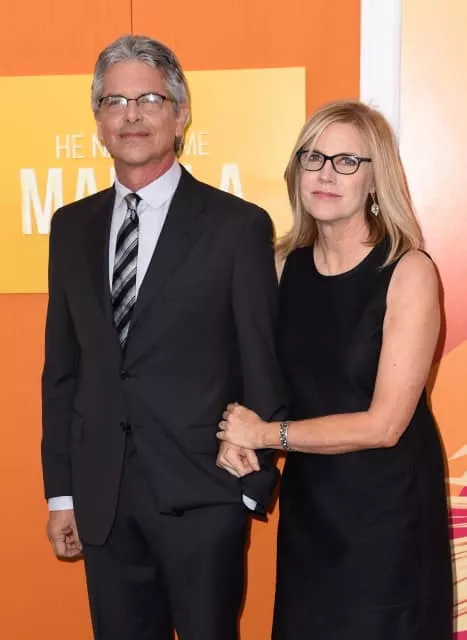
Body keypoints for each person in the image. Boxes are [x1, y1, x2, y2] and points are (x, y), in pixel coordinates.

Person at [41, 34, 286, 640]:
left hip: (204, 501)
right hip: (103, 504)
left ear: (180, 114)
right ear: (98, 121)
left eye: (149, 99)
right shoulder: (70, 228)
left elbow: (262, 363)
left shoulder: (237, 226)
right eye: (115, 101)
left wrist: (250, 489)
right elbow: (63, 371)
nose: (132, 115)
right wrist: (62, 495)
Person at [217, 100, 453, 639]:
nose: (326, 174)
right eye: (314, 157)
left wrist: (265, 434)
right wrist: (233, 433)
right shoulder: (280, 267)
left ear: (375, 180)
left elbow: (384, 425)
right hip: (312, 510)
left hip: (390, 515)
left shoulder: (408, 271)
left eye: (347, 162)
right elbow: (248, 373)